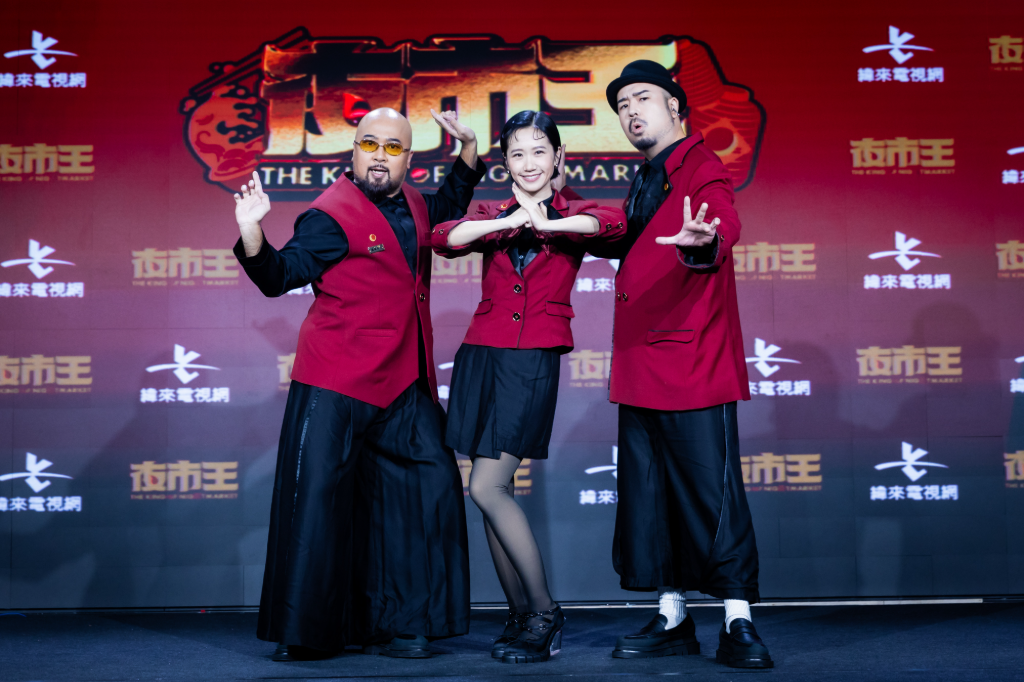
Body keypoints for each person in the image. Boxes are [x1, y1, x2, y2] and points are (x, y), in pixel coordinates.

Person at [231, 107, 486, 661]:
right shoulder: (329, 215)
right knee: (318, 504)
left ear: (408, 158)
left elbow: (449, 205)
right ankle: (307, 633)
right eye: (369, 143)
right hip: (337, 380)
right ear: (353, 149)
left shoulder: (416, 203)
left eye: (392, 148)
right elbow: (279, 276)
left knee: (427, 491)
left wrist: (468, 151)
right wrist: (252, 232)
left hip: (405, 379)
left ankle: (405, 624)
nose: (379, 155)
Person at [586, 59, 773, 668]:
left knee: (712, 498)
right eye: (622, 105)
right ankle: (673, 617)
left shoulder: (700, 165)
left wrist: (706, 241)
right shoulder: (646, 176)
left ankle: (739, 621)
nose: (631, 111)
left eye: (642, 98)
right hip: (641, 363)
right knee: (651, 497)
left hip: (692, 363)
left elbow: (721, 221)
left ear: (675, 105)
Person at [432, 111, 626, 664]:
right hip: (481, 355)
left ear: (558, 157)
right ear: (505, 163)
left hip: (531, 358)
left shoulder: (575, 215)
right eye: (517, 153)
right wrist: (509, 221)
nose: (529, 162)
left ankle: (544, 611)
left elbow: (612, 226)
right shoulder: (492, 214)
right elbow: (443, 237)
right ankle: (520, 615)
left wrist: (549, 224)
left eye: (539, 150)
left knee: (486, 487)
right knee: (494, 495)